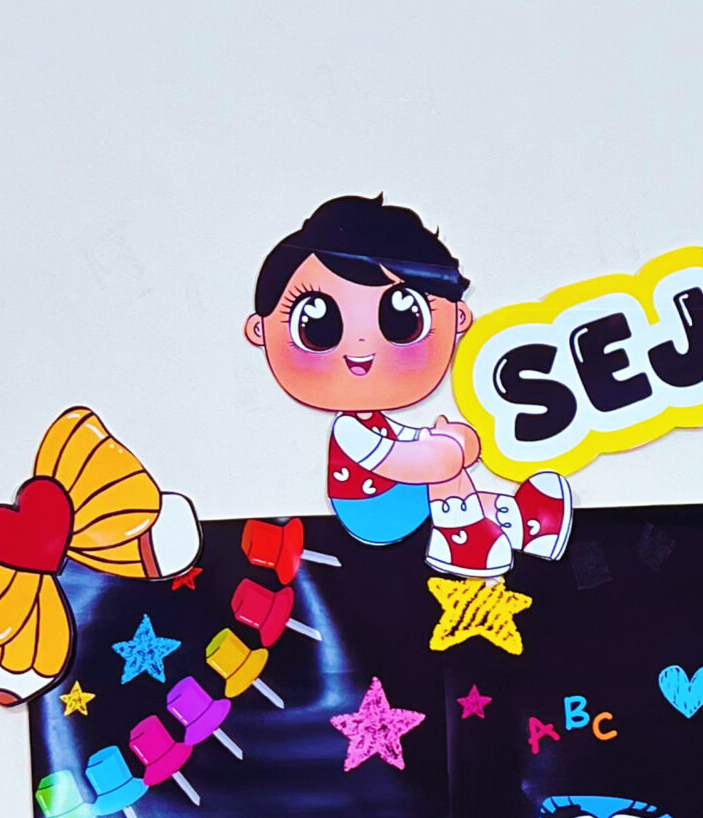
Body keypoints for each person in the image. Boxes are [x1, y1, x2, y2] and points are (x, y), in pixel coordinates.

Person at [244, 194, 571, 576]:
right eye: (317, 326)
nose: (361, 347)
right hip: (372, 509)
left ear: (459, 318)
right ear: (260, 330)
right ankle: (460, 543)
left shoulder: (367, 420)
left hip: (392, 498)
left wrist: (444, 440)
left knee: (445, 469)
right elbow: (404, 462)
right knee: (442, 473)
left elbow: (403, 440)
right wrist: (446, 451)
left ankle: (518, 524)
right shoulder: (348, 429)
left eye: (403, 319)